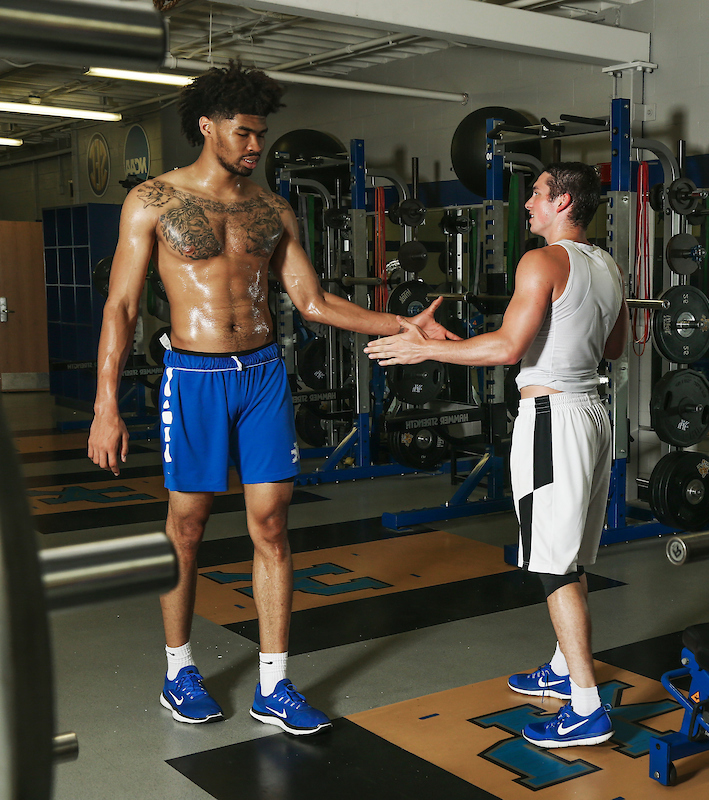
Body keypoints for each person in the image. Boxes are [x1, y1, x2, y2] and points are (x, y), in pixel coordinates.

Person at [87, 61, 456, 736]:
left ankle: (275, 684)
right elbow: (121, 306)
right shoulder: (152, 201)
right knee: (187, 526)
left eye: (261, 133)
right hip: (193, 377)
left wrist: (401, 325)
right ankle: (179, 671)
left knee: (272, 524)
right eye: (244, 132)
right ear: (207, 127)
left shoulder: (272, 209)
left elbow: (312, 301)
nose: (257, 145)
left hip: (262, 374)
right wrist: (105, 405)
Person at [365, 162, 629, 748]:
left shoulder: (541, 262)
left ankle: (587, 706)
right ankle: (561, 670)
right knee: (569, 554)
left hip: (551, 420)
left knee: (554, 564)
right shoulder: (608, 265)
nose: (528, 204)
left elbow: (510, 350)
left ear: (563, 201)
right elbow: (610, 346)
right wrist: (454, 343)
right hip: (592, 414)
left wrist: (422, 352)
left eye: (536, 194)